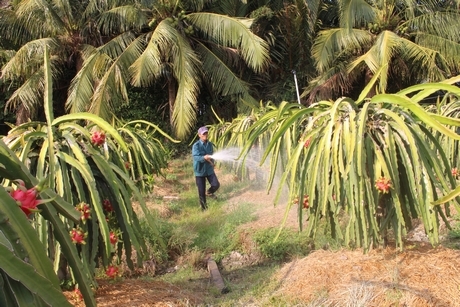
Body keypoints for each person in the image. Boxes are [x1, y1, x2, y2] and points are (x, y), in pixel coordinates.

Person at [192, 126, 220, 211]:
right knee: (201, 191)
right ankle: (204, 209)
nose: (205, 135)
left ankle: (209, 192)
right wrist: (204, 157)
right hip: (200, 170)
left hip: (209, 169)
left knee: (216, 184)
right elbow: (196, 157)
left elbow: (211, 155)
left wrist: (212, 163)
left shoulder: (210, 144)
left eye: (206, 133)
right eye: (203, 133)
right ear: (199, 135)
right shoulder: (196, 145)